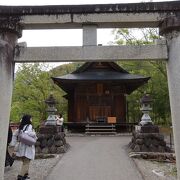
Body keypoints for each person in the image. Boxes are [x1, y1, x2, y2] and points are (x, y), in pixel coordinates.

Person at [11, 114, 37, 180]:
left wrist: (13, 144)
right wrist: (34, 133)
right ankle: (20, 176)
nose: (31, 119)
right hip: (28, 145)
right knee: (26, 161)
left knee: (25, 160)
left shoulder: (21, 126)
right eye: (31, 118)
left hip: (21, 145)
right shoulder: (29, 126)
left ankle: (26, 175)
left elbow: (15, 134)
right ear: (28, 119)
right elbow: (30, 133)